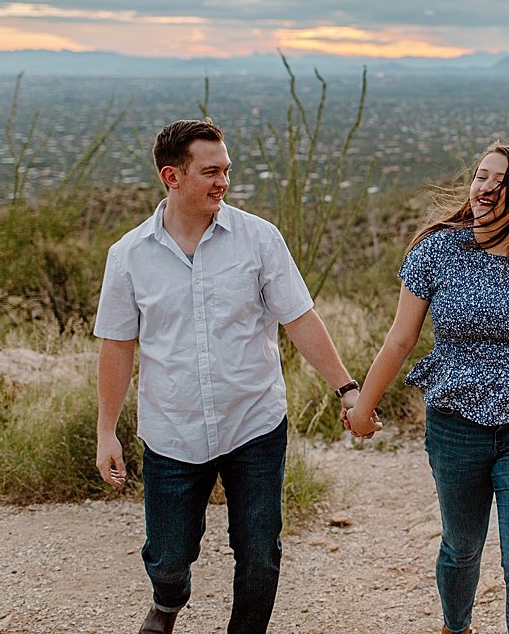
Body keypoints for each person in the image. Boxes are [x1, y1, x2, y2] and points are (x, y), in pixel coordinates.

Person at [94, 119, 376, 634]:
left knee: (259, 553)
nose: (223, 180)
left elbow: (300, 319)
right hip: (172, 429)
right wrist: (105, 430)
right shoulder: (128, 255)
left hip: (254, 423)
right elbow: (117, 346)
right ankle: (168, 600)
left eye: (226, 169)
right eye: (210, 171)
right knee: (170, 555)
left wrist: (348, 387)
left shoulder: (259, 238)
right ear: (171, 176)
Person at [346, 142, 509, 634]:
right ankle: (456, 626)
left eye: (502, 183)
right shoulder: (437, 248)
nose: (486, 189)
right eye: (482, 177)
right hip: (456, 425)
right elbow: (401, 337)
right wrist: (362, 407)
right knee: (461, 548)